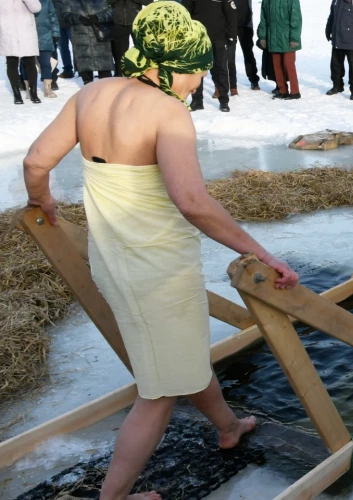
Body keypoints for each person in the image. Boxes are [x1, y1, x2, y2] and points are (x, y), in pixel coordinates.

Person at [22, 3, 299, 498]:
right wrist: (264, 253)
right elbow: (193, 203)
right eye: (196, 71)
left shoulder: (91, 94)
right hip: (158, 271)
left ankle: (229, 427)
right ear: (170, 66)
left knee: (183, 358)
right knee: (159, 394)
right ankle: (115, 495)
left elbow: (36, 160)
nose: (198, 82)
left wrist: (41, 198)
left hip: (114, 262)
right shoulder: (167, 112)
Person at [183, 0, 238, 112]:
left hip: (219, 37)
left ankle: (224, 101)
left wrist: (232, 35)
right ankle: (197, 101)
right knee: (197, 69)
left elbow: (231, 14)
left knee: (221, 69)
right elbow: (185, 12)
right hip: (198, 37)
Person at [58, 0, 114, 84]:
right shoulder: (70, 2)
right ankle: (88, 92)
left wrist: (97, 17)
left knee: (105, 75)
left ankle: (106, 94)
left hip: (99, 38)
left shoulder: (101, 1)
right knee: (86, 72)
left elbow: (110, 13)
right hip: (81, 38)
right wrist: (78, 18)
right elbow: (65, 15)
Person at [258, 0, 301, 99]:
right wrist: (263, 36)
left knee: (288, 65)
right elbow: (263, 19)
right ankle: (282, 90)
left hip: (287, 38)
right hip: (273, 37)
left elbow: (296, 19)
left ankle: (295, 91)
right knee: (277, 66)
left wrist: (294, 38)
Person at [2, 0, 42, 104]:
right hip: (8, 31)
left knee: (30, 62)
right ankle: (17, 94)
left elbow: (37, 8)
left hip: (26, 31)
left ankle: (34, 93)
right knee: (11, 62)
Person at [326, 0, 353, 98]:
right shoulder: (336, 1)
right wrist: (328, 29)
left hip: (351, 40)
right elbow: (332, 16)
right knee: (335, 64)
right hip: (337, 39)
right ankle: (337, 85)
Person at [108, 0, 149, 75]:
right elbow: (106, 2)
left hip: (136, 22)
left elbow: (149, 1)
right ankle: (119, 74)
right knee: (119, 53)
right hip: (118, 22)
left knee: (142, 50)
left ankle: (144, 72)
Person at [32, 0, 60, 98]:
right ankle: (28, 86)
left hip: (45, 35)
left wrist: (55, 32)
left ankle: (48, 88)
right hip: (28, 36)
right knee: (27, 63)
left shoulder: (46, 1)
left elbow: (53, 16)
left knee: (46, 62)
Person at [231, 0, 260, 91]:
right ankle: (232, 84)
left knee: (248, 54)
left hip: (245, 25)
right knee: (229, 56)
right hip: (230, 25)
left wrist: (249, 25)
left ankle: (254, 80)